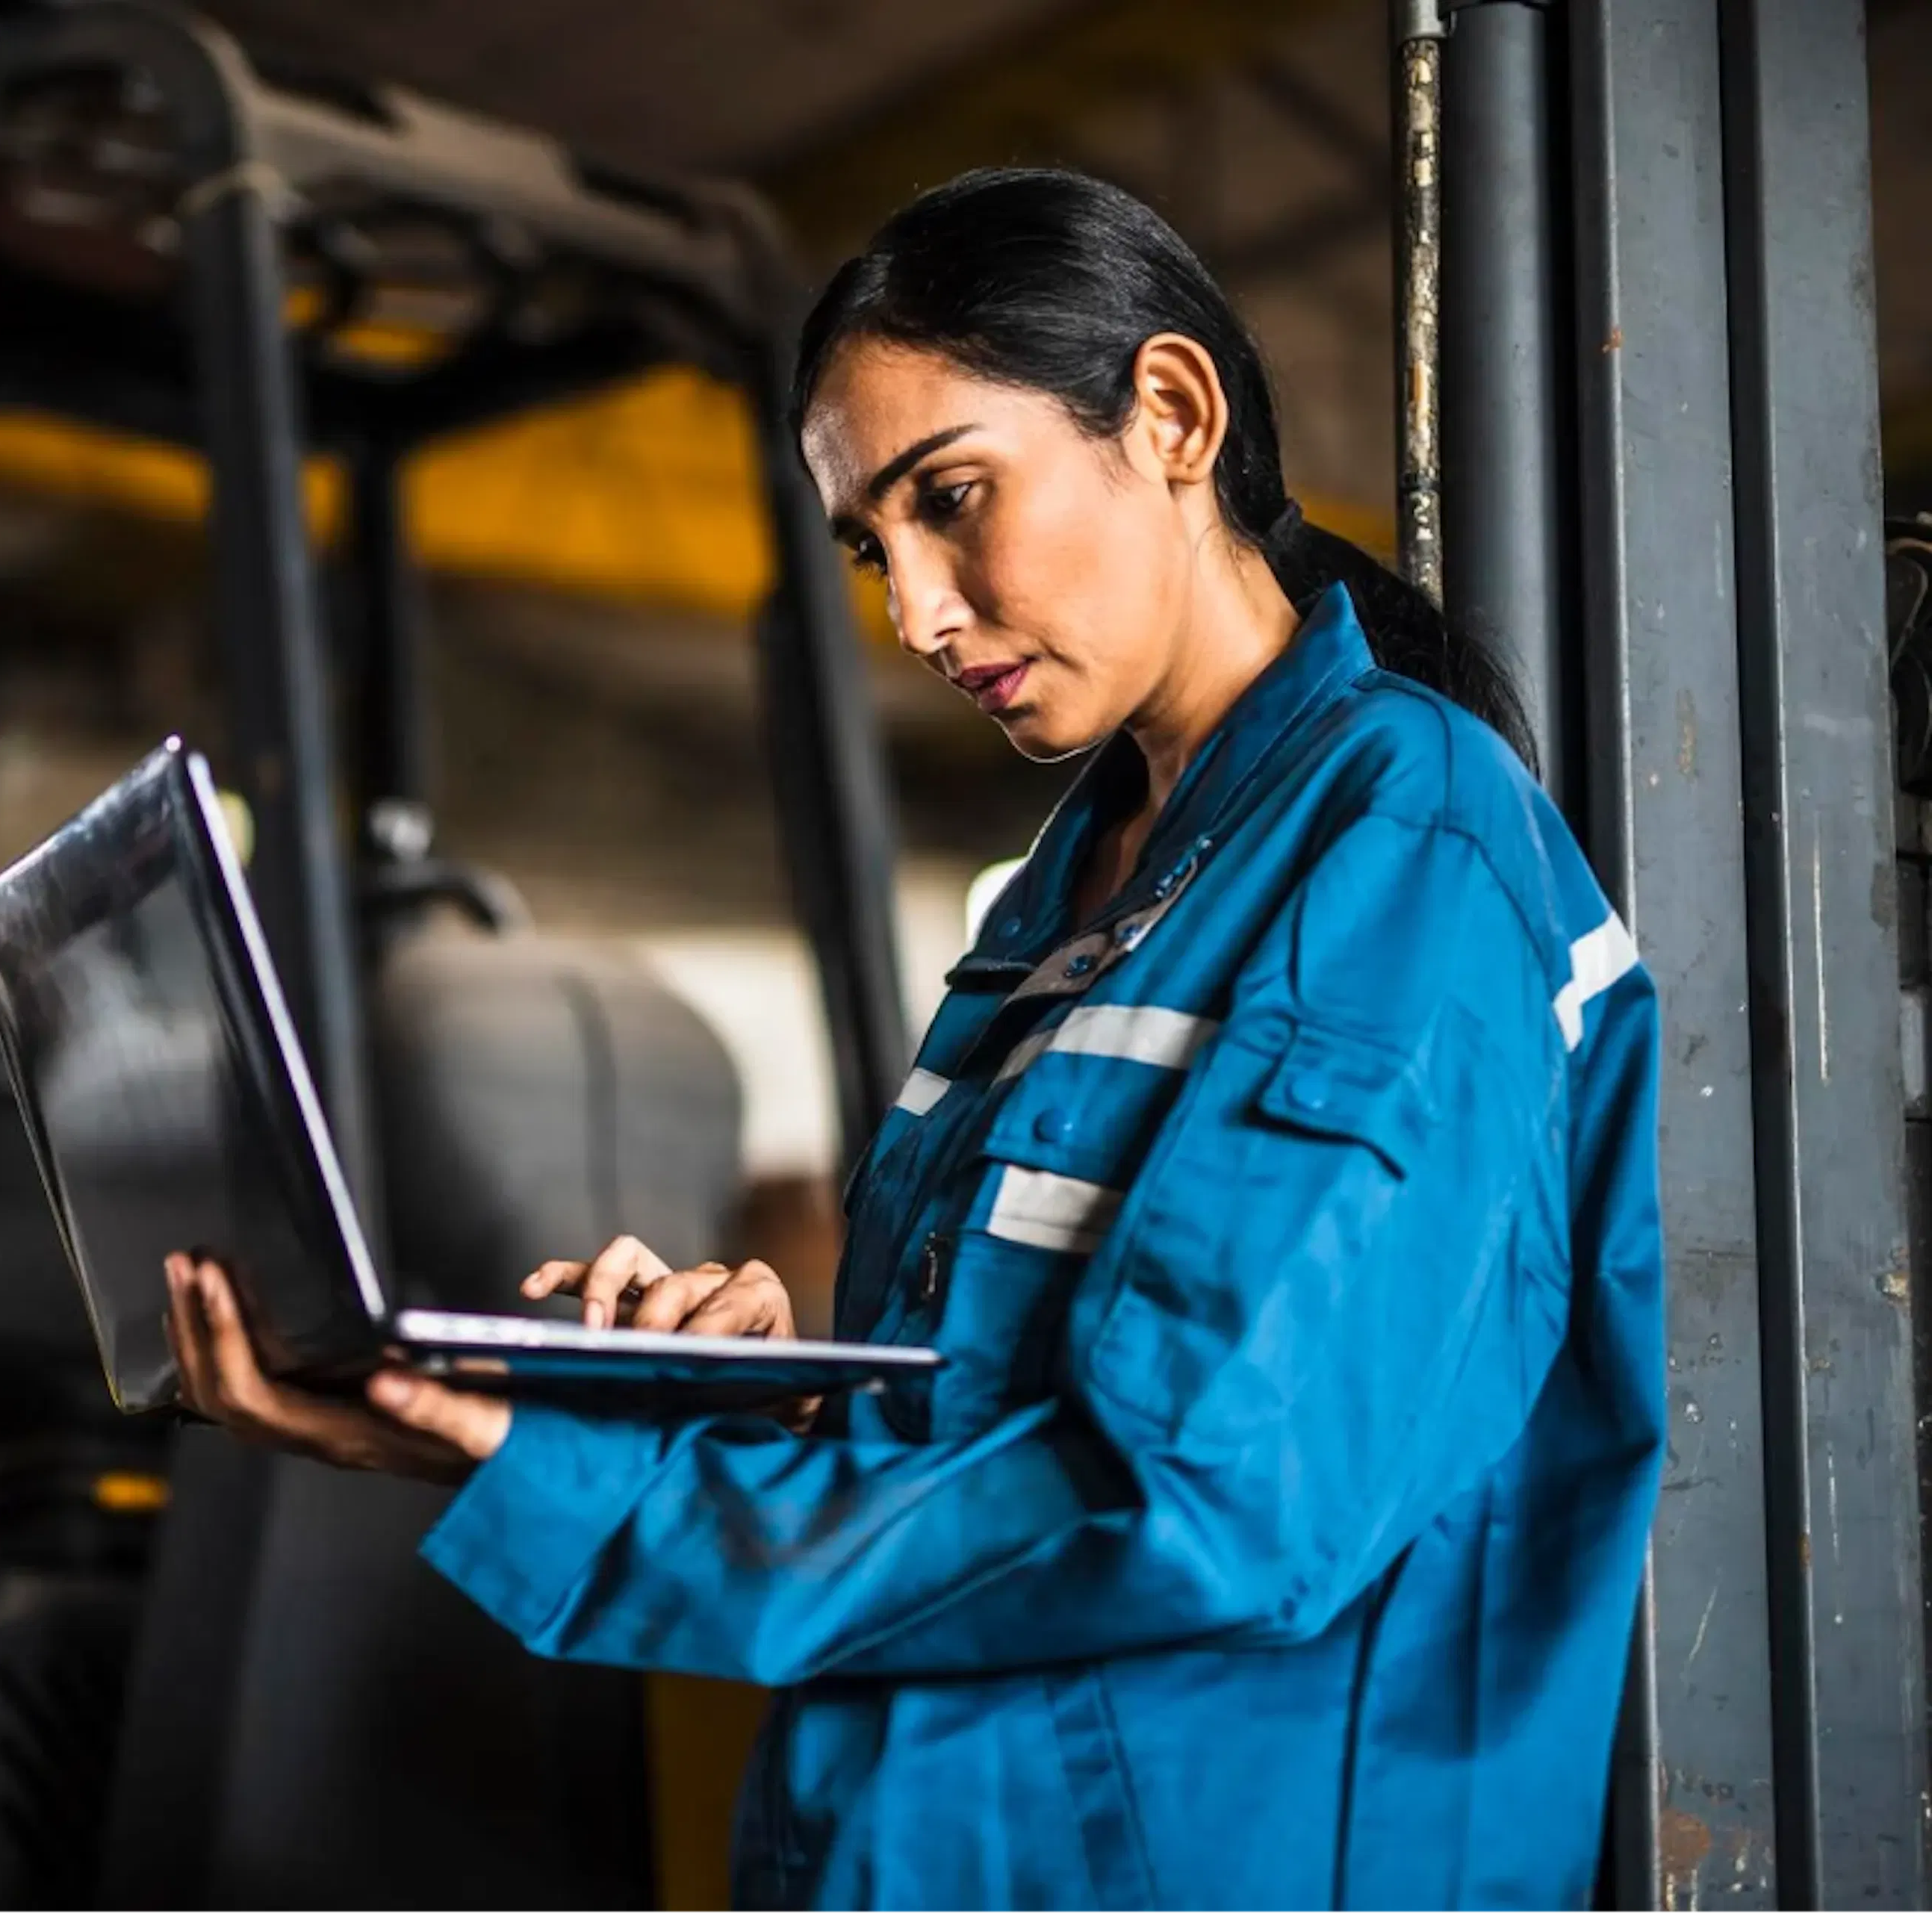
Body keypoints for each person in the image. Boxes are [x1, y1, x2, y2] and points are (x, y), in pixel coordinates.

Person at [161, 167, 1665, 1913]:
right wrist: (756, 1383)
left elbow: (1203, 1497)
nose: (916, 615)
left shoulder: (1407, 843)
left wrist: (566, 1484)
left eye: (953, 501)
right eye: (875, 546)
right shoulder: (1062, 899)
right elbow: (1010, 1407)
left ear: (1172, 415)